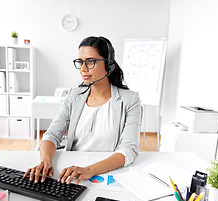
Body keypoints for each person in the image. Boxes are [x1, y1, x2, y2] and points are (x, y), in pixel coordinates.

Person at [24, 36, 141, 185]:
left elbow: (128, 150)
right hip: (72, 172)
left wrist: (90, 170)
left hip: (105, 171)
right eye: (80, 62)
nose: (83, 69)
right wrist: (46, 161)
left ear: (109, 64)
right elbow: (52, 134)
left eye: (90, 61)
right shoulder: (74, 96)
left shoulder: (130, 100)